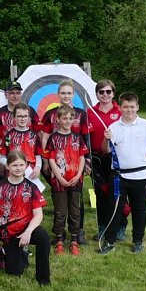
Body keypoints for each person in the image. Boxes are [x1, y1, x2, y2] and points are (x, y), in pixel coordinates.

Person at [100, 92, 146, 255]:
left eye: (132, 106)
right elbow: (105, 150)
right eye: (125, 107)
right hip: (119, 176)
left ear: (137, 107)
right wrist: (106, 139)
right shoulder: (113, 127)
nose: (129, 110)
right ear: (119, 108)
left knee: (139, 209)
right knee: (114, 208)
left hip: (141, 176)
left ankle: (137, 241)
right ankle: (109, 241)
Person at [0, 150, 51, 285]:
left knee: (44, 237)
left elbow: (38, 214)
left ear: (26, 165)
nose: (18, 168)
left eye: (21, 165)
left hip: (27, 229)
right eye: (15, 165)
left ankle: (43, 278)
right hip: (9, 234)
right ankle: (21, 255)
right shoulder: (0, 188)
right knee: (14, 271)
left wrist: (28, 232)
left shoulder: (32, 187)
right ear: (8, 166)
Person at [40, 79, 91, 243]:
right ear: (58, 94)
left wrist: (87, 160)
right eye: (63, 93)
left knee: (76, 200)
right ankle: (59, 233)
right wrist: (46, 160)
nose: (66, 95)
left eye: (69, 93)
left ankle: (78, 231)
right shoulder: (51, 114)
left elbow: (85, 137)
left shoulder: (81, 114)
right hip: (56, 163)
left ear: (73, 94)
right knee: (60, 197)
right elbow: (46, 136)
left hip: (77, 163)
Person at [86, 79, 126, 242]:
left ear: (113, 94)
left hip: (118, 159)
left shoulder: (121, 111)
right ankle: (102, 227)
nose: (105, 95)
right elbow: (85, 136)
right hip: (97, 159)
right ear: (96, 94)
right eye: (101, 92)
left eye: (108, 92)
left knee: (118, 194)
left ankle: (120, 227)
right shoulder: (90, 112)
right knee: (101, 194)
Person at [0, 81, 41, 176]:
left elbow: (38, 134)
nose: (15, 96)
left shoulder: (30, 111)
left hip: (30, 163)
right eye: (11, 93)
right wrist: (2, 161)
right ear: (6, 95)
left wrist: (39, 164)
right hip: (7, 160)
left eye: (18, 93)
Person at [0, 103, 45, 193]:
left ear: (29, 117)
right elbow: (1, 157)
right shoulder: (8, 136)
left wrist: (38, 167)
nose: (22, 119)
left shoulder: (34, 135)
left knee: (30, 199)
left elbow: (38, 155)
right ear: (14, 117)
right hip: (13, 174)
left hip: (31, 174)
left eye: (25, 116)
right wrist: (12, 166)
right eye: (19, 116)